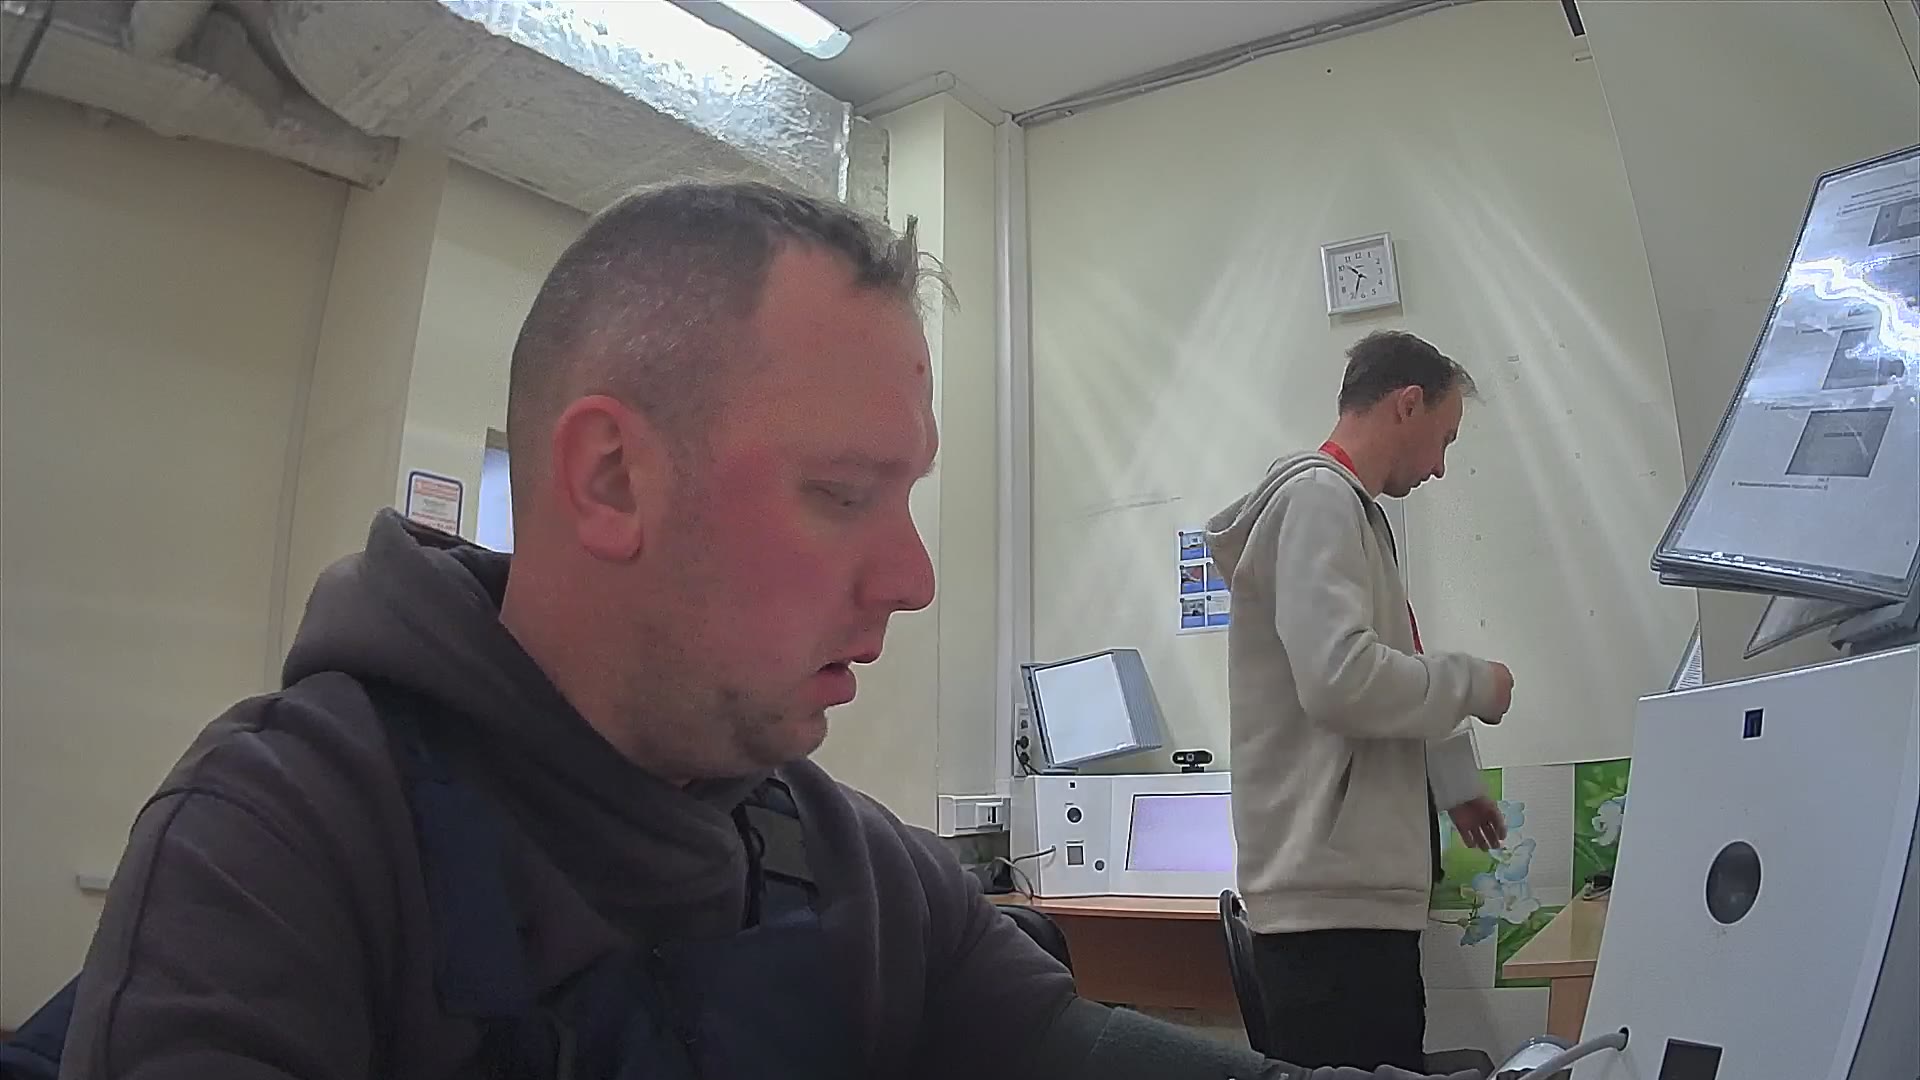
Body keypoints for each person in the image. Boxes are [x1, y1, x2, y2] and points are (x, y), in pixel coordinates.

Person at [40, 184, 1484, 1080]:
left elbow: (1073, 1052)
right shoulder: (283, 845)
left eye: (907, 496)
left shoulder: (852, 867)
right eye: (843, 494)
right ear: (614, 479)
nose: (912, 578)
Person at [1206, 330, 1516, 1072]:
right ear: (1407, 405)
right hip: (1331, 919)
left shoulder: (1346, 511)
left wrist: (1454, 782)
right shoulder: (1319, 502)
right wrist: (1475, 683)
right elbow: (1342, 680)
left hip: (1344, 906)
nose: (1439, 467)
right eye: (1444, 439)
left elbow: (1383, 668)